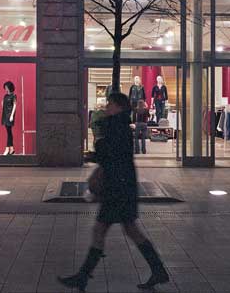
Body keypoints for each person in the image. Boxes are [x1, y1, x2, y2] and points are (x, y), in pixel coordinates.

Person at [58, 93, 169, 291]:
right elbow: (112, 154)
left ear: (118, 106)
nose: (107, 107)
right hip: (123, 187)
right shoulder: (121, 126)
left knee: (102, 230)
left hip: (117, 189)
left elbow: (108, 154)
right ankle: (158, 270)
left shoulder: (115, 126)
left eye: (110, 104)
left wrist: (96, 149)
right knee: (129, 230)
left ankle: (83, 277)